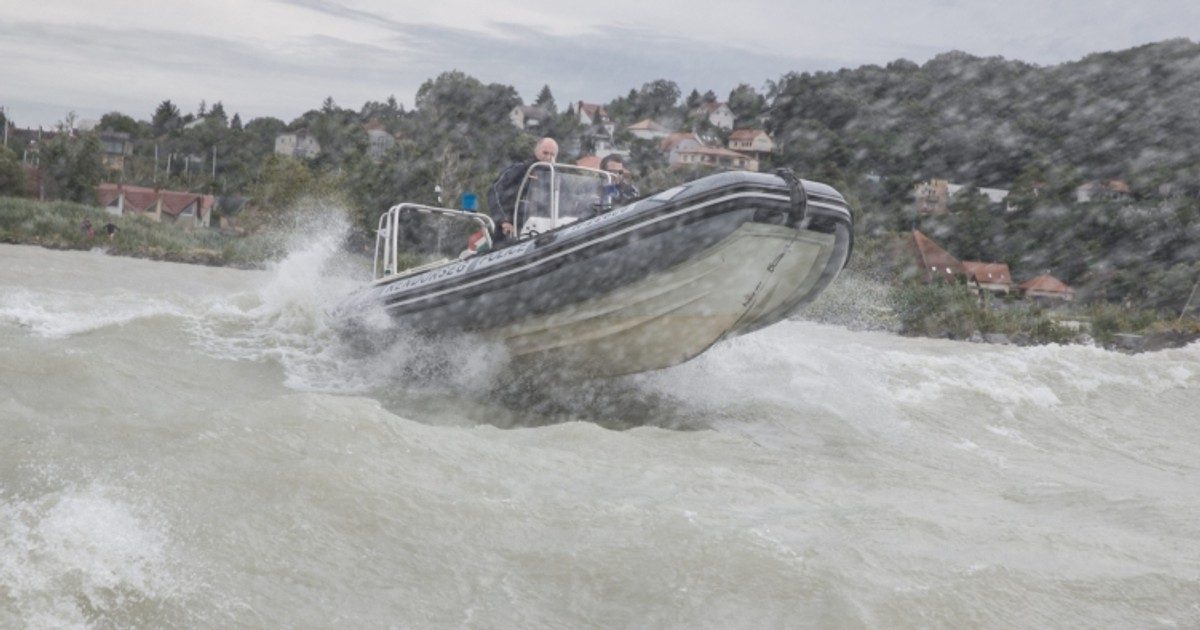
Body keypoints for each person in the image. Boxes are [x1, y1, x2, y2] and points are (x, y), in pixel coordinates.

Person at [488, 137, 557, 240]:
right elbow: (494, 191)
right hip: (511, 231)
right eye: (545, 153)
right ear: (536, 151)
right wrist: (503, 221)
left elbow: (567, 200)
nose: (548, 157)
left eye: (552, 155)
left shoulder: (555, 178)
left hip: (542, 232)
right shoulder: (519, 170)